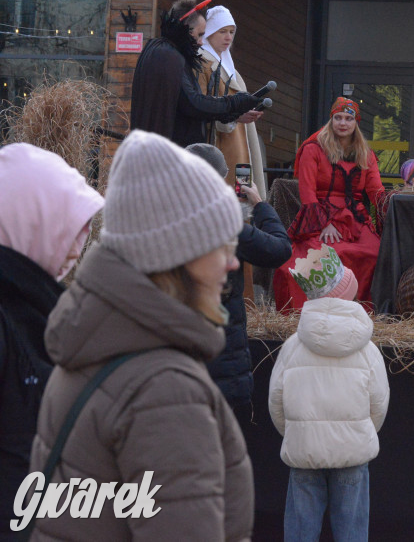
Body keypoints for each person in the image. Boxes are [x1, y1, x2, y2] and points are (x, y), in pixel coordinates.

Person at [30, 130, 253, 540]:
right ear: (177, 255)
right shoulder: (164, 388)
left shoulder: (88, 347)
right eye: (222, 245)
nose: (233, 262)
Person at [0, 144, 103, 541]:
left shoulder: (40, 309)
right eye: (66, 230)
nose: (77, 250)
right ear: (30, 222)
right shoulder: (16, 318)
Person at [268, 270, 390, 542]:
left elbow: (276, 402)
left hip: (305, 449)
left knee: (301, 532)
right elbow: (378, 405)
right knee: (352, 532)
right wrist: (359, 432)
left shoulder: (292, 347)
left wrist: (298, 433)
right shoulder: (368, 350)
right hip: (352, 450)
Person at [187, 142, 291, 424]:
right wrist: (260, 205)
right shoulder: (224, 226)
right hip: (220, 363)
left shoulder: (155, 219)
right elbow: (279, 249)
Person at [273, 97, 386, 311]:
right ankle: (311, 311)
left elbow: (376, 191)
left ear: (356, 122)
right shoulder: (313, 148)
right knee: (318, 259)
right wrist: (323, 224)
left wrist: (393, 204)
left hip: (355, 218)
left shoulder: (365, 153)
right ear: (331, 120)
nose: (343, 123)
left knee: (374, 253)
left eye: (348, 118)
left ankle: (362, 311)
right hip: (319, 216)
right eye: (338, 118)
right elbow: (307, 192)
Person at [129, 0, 262, 147]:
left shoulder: (162, 50)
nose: (200, 42)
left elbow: (186, 106)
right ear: (185, 28)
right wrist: (234, 103)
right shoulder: (168, 55)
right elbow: (193, 103)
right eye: (199, 35)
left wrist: (230, 113)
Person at [197, 5, 267, 197]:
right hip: (219, 145)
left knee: (242, 195)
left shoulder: (230, 68)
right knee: (226, 199)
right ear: (209, 32)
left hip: (238, 142)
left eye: (231, 32)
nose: (228, 37)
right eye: (222, 31)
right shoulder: (203, 63)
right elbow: (202, 106)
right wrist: (234, 116)